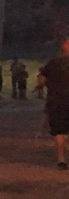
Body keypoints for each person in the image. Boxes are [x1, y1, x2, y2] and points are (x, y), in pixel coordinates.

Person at [40, 37, 69, 170]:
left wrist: (43, 85)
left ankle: (61, 159)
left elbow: (42, 79)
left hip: (56, 102)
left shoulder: (53, 63)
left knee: (58, 131)